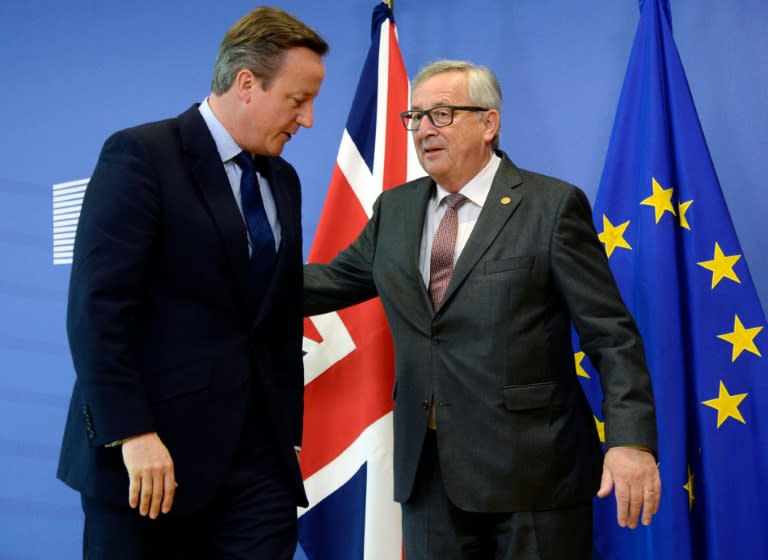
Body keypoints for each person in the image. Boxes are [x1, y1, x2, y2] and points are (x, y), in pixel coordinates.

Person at [303, 60, 661, 559]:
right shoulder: (396, 209)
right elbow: (327, 284)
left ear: (488, 123)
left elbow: (611, 335)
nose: (424, 128)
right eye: (416, 117)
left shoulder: (551, 206)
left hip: (535, 475)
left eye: (442, 114)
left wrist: (631, 442)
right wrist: (221, 266)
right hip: (430, 478)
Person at [57, 7, 328, 559]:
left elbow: (271, 310)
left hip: (258, 466)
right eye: (297, 101)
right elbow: (99, 307)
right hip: (152, 464)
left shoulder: (284, 178)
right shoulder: (141, 155)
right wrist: (130, 433)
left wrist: (286, 439)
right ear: (246, 84)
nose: (308, 120)